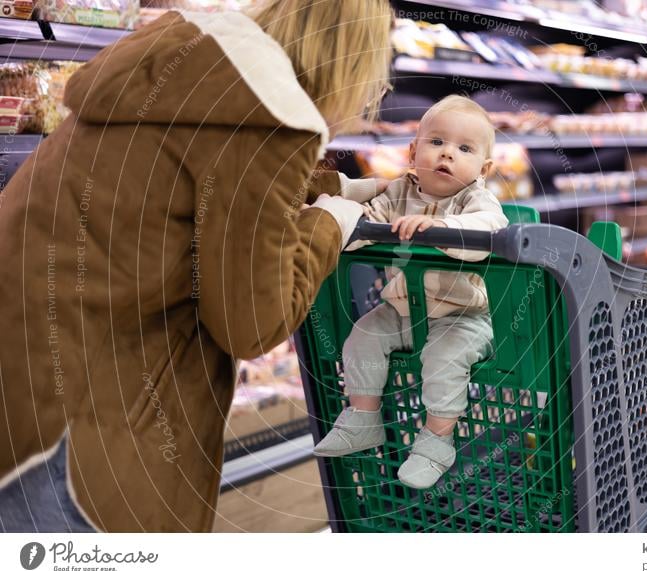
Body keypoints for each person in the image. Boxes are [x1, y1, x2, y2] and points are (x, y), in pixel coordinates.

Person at [0, 0, 393, 532]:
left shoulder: (185, 67)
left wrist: (336, 189)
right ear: (350, 59)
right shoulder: (270, 120)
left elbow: (189, 191)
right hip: (82, 439)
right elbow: (253, 322)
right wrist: (330, 223)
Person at [312, 95, 509, 489]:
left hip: (462, 316)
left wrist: (440, 229)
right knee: (362, 337)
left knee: (443, 358)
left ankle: (437, 441)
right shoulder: (399, 191)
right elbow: (367, 223)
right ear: (413, 149)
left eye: (464, 149)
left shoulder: (475, 198)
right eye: (436, 142)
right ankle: (363, 418)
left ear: (483, 169)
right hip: (403, 309)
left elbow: (491, 226)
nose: (447, 154)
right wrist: (338, 221)